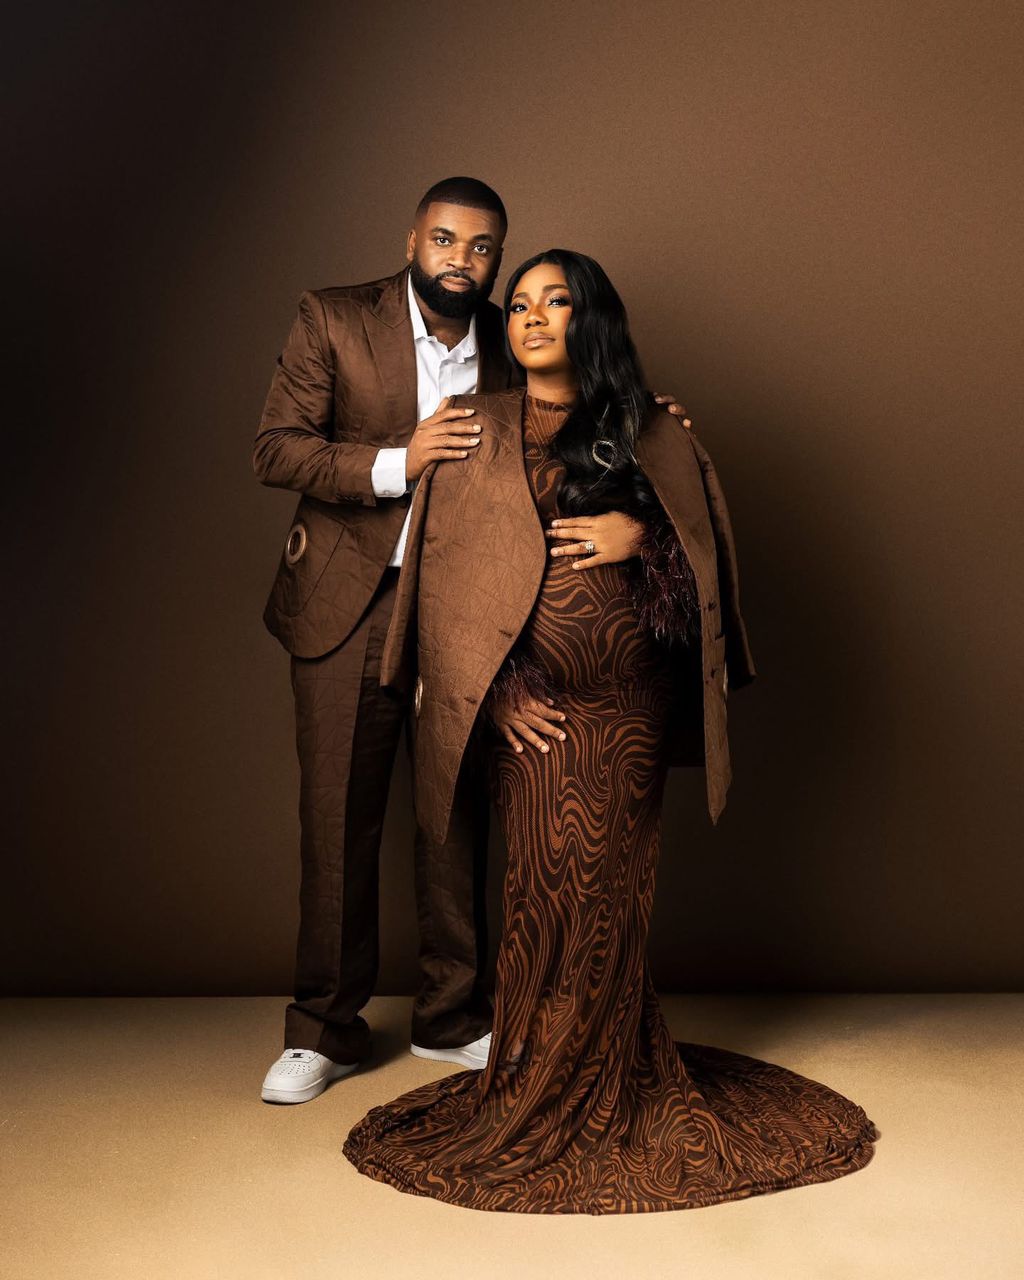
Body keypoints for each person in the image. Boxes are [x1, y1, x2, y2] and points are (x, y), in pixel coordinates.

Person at [343, 250, 879, 1212]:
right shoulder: (473, 427)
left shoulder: (651, 427)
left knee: (608, 900)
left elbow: (707, 561)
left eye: (556, 301)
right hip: (535, 712)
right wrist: (498, 694)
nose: (531, 316)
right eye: (520, 303)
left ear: (592, 318)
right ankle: (541, 1080)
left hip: (627, 711)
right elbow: (444, 580)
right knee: (545, 893)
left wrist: (646, 533)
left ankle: (603, 1077)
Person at [253, 181, 692, 1104]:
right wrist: (397, 461)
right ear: (412, 238)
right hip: (352, 600)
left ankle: (451, 1017)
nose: (463, 259)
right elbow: (277, 448)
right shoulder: (335, 319)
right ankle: (323, 1029)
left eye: (483, 247)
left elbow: (574, 402)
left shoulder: (512, 331)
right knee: (338, 818)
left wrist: (650, 426)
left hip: (471, 602)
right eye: (446, 239)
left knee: (453, 811)